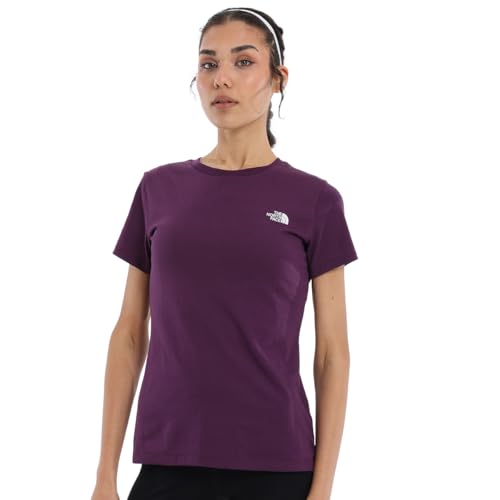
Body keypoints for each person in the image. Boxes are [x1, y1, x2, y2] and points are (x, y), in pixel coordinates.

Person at [91, 7, 358, 500]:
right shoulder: (158, 189)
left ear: (278, 79)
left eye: (243, 61)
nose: (222, 79)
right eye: (209, 64)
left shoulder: (315, 200)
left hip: (277, 466)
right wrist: (105, 475)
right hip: (169, 461)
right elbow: (128, 333)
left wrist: (322, 489)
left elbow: (331, 353)